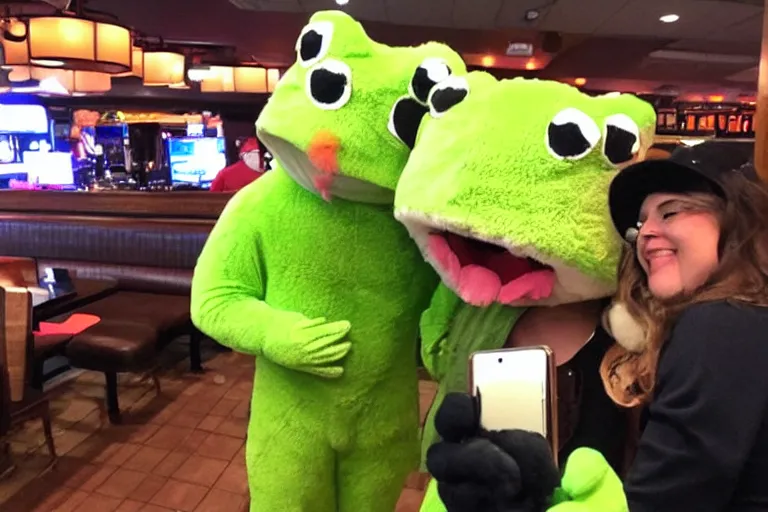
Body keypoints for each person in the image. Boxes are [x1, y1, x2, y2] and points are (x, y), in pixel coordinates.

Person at [424, 141, 768, 512]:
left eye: (670, 212)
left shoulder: (721, 323)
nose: (645, 233)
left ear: (738, 217)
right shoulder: (740, 319)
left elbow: (666, 498)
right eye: (640, 224)